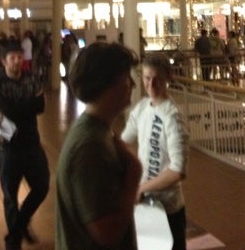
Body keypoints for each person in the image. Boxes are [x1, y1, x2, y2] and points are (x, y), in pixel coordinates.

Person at [56, 41, 142, 250]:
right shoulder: (90, 147)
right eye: (126, 78)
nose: (133, 84)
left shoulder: (98, 130)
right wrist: (133, 176)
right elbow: (107, 233)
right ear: (107, 84)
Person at [122, 53, 189, 250]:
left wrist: (141, 188)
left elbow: (178, 171)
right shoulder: (142, 108)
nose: (151, 85)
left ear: (168, 78)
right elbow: (123, 141)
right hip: (145, 206)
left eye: (157, 79)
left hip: (168, 210)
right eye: (147, 78)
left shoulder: (173, 117)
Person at [0, 40, 50, 250]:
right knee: (10, 196)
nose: (17, 61)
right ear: (4, 61)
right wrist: (29, 105)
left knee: (42, 186)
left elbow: (41, 107)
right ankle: (14, 240)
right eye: (13, 58)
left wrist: (18, 108)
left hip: (32, 143)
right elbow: (8, 110)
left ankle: (19, 225)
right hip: (8, 147)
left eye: (19, 57)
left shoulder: (31, 79)